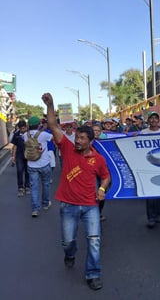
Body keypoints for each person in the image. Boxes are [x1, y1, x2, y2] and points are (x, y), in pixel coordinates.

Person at [42, 93, 110, 290]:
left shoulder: (98, 159)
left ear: (90, 141)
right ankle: (70, 254)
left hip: (90, 206)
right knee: (68, 241)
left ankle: (93, 274)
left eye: (81, 138)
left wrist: (102, 189)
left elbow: (106, 177)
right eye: (77, 137)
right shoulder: (67, 148)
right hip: (68, 205)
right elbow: (54, 125)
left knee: (95, 241)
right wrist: (51, 104)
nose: (77, 141)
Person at [140, 111, 160, 228]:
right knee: (150, 193)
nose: (154, 120)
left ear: (158, 120)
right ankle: (150, 217)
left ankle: (158, 214)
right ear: (148, 120)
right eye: (151, 118)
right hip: (147, 166)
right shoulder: (143, 132)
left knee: (159, 191)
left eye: (156, 118)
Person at [23, 116, 53, 217]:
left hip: (31, 165)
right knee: (46, 184)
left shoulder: (25, 135)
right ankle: (45, 204)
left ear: (28, 125)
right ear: (39, 124)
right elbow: (54, 138)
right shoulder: (44, 134)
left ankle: (35, 209)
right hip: (44, 163)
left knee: (34, 187)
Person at [11, 120, 31, 197]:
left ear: (26, 127)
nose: (23, 130)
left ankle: (27, 186)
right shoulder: (16, 135)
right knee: (19, 171)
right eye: (21, 128)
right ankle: (20, 187)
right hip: (19, 156)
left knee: (27, 172)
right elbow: (15, 146)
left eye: (24, 128)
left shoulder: (29, 134)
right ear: (19, 128)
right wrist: (13, 156)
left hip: (28, 156)